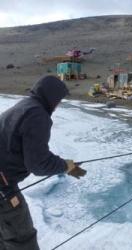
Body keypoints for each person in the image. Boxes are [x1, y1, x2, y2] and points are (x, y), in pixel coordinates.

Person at [0, 75, 86, 250]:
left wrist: (62, 164)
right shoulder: (37, 115)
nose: (58, 105)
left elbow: (31, 150)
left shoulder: (24, 106)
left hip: (3, 181)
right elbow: (38, 164)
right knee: (22, 239)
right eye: (59, 100)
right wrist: (66, 166)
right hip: (3, 188)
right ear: (51, 96)